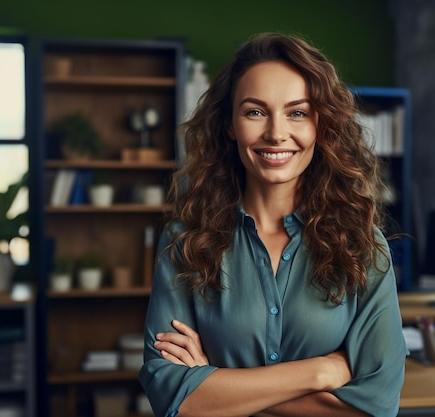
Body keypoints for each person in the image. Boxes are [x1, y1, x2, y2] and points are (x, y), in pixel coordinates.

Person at [138, 32, 406, 417]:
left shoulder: (363, 246)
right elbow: (172, 398)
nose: (276, 133)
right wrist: (320, 372)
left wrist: (217, 382)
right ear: (230, 124)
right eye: (255, 111)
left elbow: (378, 406)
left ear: (319, 125)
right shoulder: (185, 242)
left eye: (297, 112)